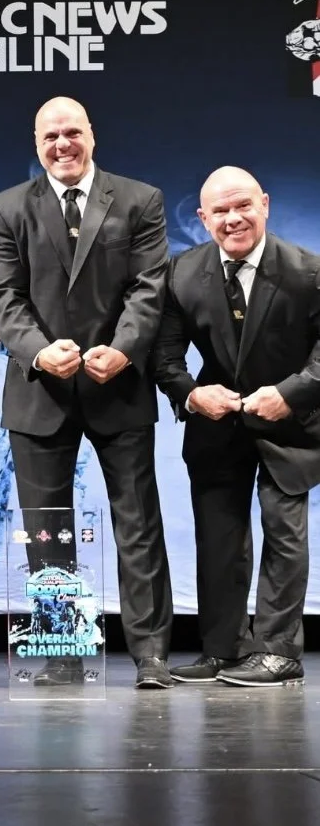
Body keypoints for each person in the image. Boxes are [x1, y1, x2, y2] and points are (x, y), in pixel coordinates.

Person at [0, 96, 174, 689]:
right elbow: (3, 297)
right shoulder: (5, 208)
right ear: (36, 144)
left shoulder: (140, 200)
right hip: (40, 389)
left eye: (72, 133)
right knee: (47, 528)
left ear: (92, 135)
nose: (62, 145)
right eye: (50, 137)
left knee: (137, 523)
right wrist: (39, 350)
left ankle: (151, 656)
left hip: (118, 385)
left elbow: (149, 288)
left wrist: (123, 349)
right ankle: (64, 651)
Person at [153, 166, 320, 687]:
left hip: (289, 423)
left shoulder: (307, 271)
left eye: (242, 205)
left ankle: (278, 650)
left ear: (264, 204)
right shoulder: (181, 273)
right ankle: (223, 648)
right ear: (203, 218)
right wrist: (191, 393)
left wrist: (289, 394)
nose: (233, 219)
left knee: (282, 531)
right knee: (219, 537)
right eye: (220, 211)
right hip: (217, 424)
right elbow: (164, 356)